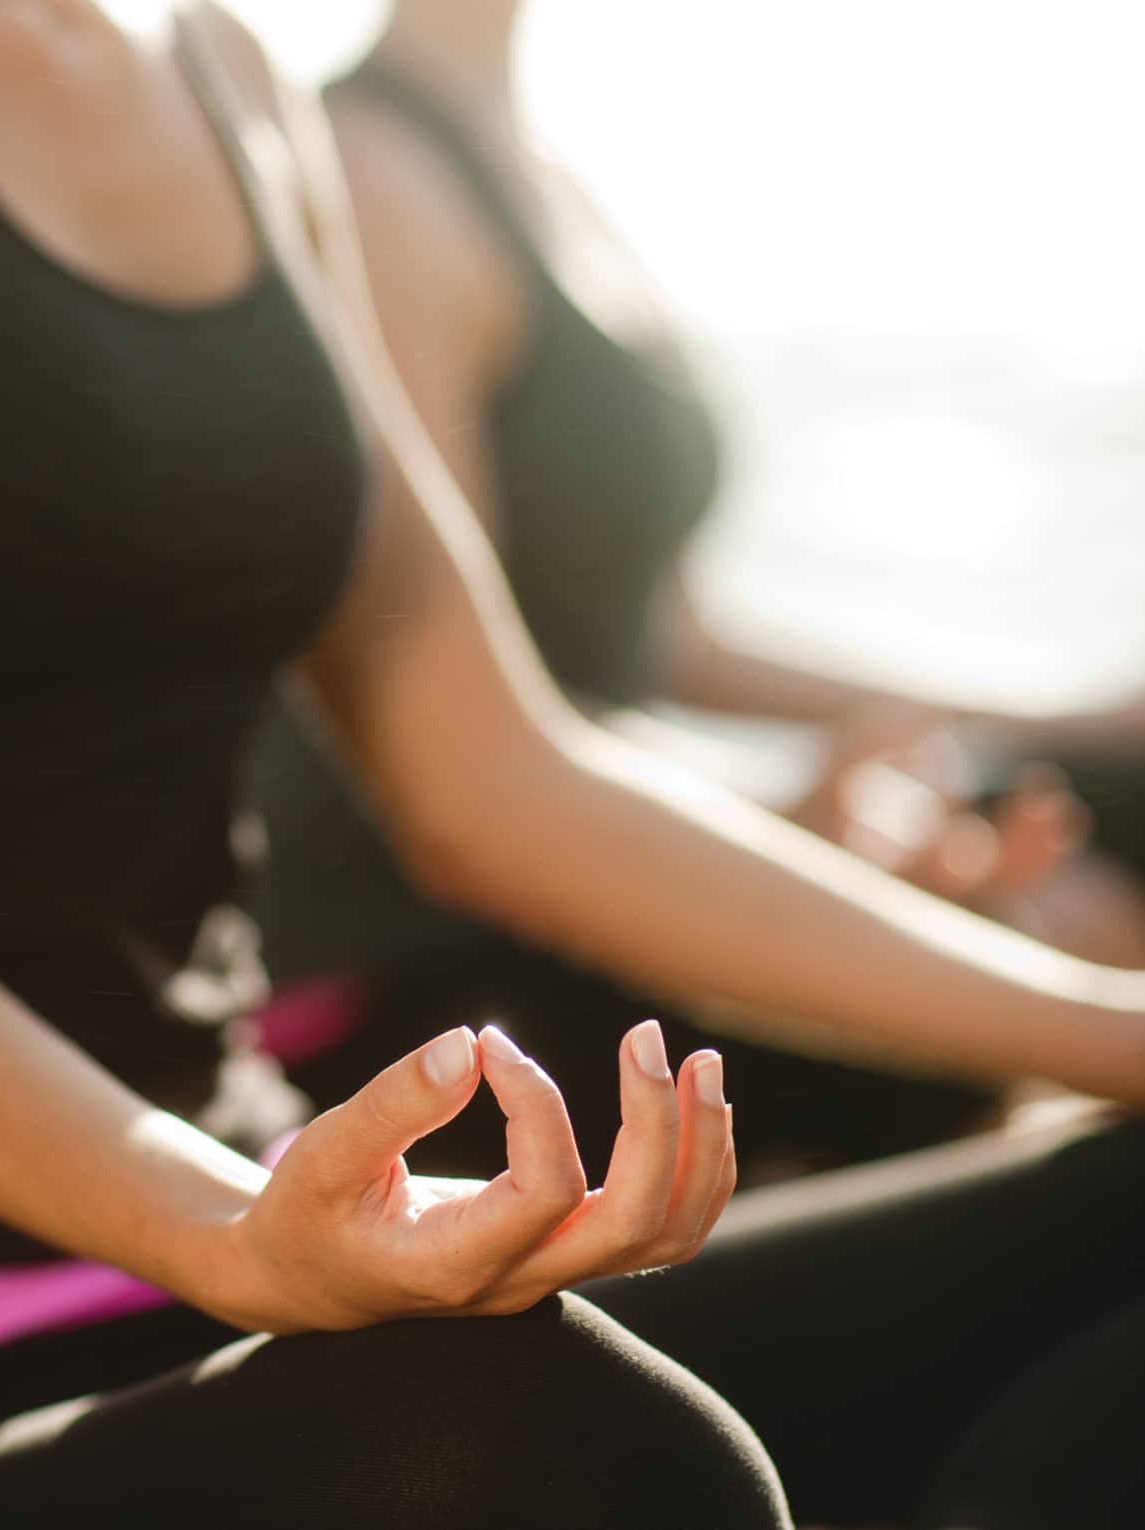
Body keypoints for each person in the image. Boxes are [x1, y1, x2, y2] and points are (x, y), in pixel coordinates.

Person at [0, 1, 1144, 1526]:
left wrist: (1102, 1025)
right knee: (570, 1442)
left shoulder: (223, 74)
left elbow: (497, 773)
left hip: (219, 1241)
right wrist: (241, 1235)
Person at [248, 0, 1145, 1179]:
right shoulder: (368, 176)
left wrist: (1035, 722)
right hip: (457, 974)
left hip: (606, 829)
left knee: (1110, 790)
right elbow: (465, 765)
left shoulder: (543, 171)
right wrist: (782, 827)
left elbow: (669, 640)